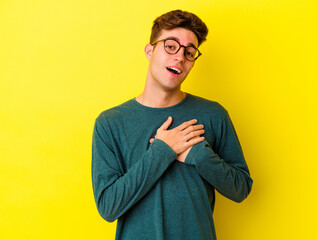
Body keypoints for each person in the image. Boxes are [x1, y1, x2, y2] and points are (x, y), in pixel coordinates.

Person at [92, 9, 253, 240]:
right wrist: (162, 150)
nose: (180, 57)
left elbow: (241, 189)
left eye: (189, 52)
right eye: (170, 46)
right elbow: (108, 207)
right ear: (150, 50)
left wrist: (199, 155)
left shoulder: (213, 114)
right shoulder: (110, 123)